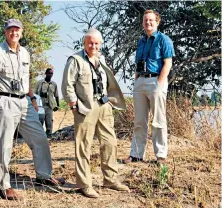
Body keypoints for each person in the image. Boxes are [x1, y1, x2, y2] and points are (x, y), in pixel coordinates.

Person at [0, 18, 65, 201]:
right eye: (11, 30)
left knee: (40, 137)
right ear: (5, 32)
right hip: (5, 100)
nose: (14, 33)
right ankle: (3, 186)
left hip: (24, 102)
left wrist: (32, 98)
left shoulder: (25, 53)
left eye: (17, 29)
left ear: (22, 32)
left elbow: (26, 79)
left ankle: (44, 176)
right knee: (5, 144)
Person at [61, 28, 130, 198]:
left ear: (100, 44)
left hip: (104, 105)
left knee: (110, 142)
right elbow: (67, 85)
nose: (93, 46)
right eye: (90, 43)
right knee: (83, 145)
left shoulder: (101, 60)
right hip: (85, 106)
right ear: (84, 43)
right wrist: (73, 103)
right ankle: (84, 184)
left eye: (96, 43)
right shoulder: (75, 60)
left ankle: (110, 179)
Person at [124, 10, 175, 164]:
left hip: (155, 81)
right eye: (146, 20)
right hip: (141, 81)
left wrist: (159, 83)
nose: (148, 23)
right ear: (142, 23)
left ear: (157, 22)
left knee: (158, 120)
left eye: (151, 20)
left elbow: (168, 63)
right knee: (139, 121)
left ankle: (160, 155)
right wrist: (136, 80)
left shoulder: (164, 40)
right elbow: (137, 63)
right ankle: (137, 154)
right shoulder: (141, 41)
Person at [34, 68, 59, 136]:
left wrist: (57, 105)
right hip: (41, 105)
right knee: (40, 120)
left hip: (49, 106)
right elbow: (34, 94)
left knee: (49, 122)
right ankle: (39, 135)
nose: (50, 75)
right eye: (49, 73)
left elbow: (56, 95)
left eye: (52, 73)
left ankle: (49, 135)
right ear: (46, 73)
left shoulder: (54, 84)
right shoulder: (39, 83)